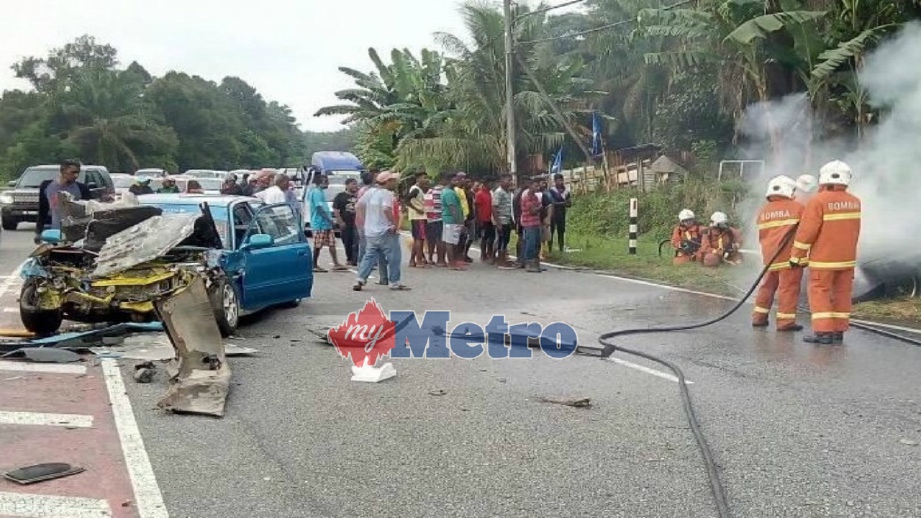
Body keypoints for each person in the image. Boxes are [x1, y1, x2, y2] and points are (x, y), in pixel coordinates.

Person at [789, 160, 861, 344]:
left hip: (823, 260)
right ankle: (838, 331)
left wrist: (797, 256)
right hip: (847, 260)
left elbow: (807, 232)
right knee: (842, 293)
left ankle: (823, 332)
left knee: (819, 292)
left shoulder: (818, 201)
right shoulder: (855, 201)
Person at [752, 175, 805, 332]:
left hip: (769, 257)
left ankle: (758, 317)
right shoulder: (798, 208)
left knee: (767, 286)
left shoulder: (763, 211)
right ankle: (785, 322)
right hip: (790, 257)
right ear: (788, 190)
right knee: (788, 288)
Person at [354, 171, 409, 291]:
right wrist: (394, 223)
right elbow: (386, 209)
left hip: (370, 231)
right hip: (385, 230)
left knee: (369, 256)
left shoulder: (370, 192)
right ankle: (394, 282)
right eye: (393, 180)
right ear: (387, 181)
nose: (394, 183)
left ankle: (361, 279)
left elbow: (358, 206)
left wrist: (366, 221)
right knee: (394, 257)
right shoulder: (387, 194)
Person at [35, 159, 91, 242]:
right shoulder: (47, 186)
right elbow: (43, 209)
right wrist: (38, 232)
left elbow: (88, 213)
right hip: (51, 228)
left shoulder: (82, 188)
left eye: (78, 172)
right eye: (73, 172)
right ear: (63, 171)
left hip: (74, 230)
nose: (76, 175)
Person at [307, 174, 347, 272]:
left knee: (331, 242)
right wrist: (329, 219)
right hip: (320, 223)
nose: (328, 183)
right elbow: (319, 208)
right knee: (318, 244)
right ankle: (314, 264)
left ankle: (336, 263)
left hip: (326, 223)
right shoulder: (316, 192)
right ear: (320, 182)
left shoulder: (320, 192)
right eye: (326, 181)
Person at [441, 173, 466, 270]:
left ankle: (453, 262)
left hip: (451, 220)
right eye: (454, 180)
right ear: (448, 181)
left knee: (453, 241)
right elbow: (453, 208)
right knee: (450, 242)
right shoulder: (449, 193)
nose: (456, 182)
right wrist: (459, 222)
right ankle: (452, 263)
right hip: (451, 220)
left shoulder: (450, 191)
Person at [405, 172, 430, 267]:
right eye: (424, 178)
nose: (426, 180)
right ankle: (419, 260)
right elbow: (406, 199)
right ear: (418, 179)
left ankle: (412, 260)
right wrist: (416, 209)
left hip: (417, 216)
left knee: (417, 239)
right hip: (418, 216)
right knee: (420, 239)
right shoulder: (415, 189)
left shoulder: (418, 189)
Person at [333, 178, 360, 266]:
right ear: (347, 185)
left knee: (357, 241)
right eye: (353, 184)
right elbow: (336, 210)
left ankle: (355, 259)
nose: (355, 186)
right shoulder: (340, 196)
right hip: (346, 222)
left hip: (358, 222)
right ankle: (349, 258)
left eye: (356, 184)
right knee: (347, 241)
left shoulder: (359, 196)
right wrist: (340, 221)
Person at [519, 177, 543, 273]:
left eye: (538, 186)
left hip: (536, 222)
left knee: (537, 243)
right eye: (535, 186)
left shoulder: (535, 197)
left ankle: (535, 263)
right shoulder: (527, 197)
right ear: (530, 186)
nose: (537, 188)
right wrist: (540, 208)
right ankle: (529, 263)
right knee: (531, 243)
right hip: (529, 223)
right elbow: (533, 211)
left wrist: (538, 208)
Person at [424, 173, 448, 266]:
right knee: (441, 239)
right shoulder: (445, 191)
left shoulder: (430, 192)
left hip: (431, 219)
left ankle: (430, 258)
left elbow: (427, 206)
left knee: (431, 239)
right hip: (441, 218)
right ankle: (440, 260)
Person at [492, 174, 514, 268]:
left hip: (508, 219)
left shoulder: (508, 192)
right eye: (507, 180)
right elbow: (494, 207)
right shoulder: (499, 192)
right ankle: (501, 261)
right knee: (502, 240)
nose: (510, 182)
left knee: (506, 240)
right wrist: (498, 222)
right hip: (502, 219)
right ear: (501, 181)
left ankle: (503, 259)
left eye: (510, 180)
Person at [548, 173, 572, 253]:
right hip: (553, 214)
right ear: (555, 181)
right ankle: (549, 248)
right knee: (551, 231)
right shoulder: (552, 191)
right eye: (558, 180)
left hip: (562, 214)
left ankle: (561, 248)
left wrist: (567, 203)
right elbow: (552, 202)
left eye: (561, 180)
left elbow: (569, 203)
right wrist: (563, 203)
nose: (560, 182)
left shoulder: (566, 191)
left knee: (561, 231)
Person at [474, 179, 495, 263]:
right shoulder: (479, 194)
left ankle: (489, 252)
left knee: (491, 237)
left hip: (490, 218)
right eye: (490, 183)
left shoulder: (489, 193)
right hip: (483, 218)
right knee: (484, 237)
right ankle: (483, 254)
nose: (491, 184)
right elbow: (477, 207)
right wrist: (479, 219)